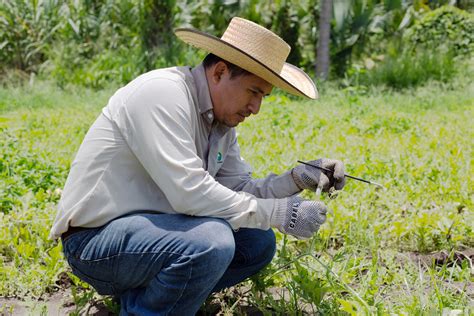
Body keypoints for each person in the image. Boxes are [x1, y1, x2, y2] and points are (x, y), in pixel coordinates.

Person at [50, 17, 346, 315]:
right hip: (95, 242)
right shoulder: (163, 94)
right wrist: (280, 213)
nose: (256, 108)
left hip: (157, 233)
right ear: (219, 72)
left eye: (263, 97)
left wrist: (295, 179)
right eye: (253, 92)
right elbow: (190, 193)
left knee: (257, 241)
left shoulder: (220, 123)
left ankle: (145, 301)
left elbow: (236, 189)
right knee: (212, 242)